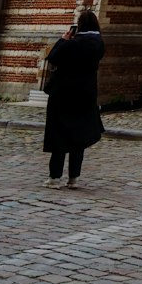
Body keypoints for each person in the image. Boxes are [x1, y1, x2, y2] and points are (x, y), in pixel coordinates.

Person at [42, 10, 105, 188]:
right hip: (85, 95)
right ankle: (73, 178)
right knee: (79, 138)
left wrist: (63, 40)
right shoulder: (99, 44)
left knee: (59, 136)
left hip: (63, 95)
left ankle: (54, 178)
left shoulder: (72, 44)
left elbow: (52, 57)